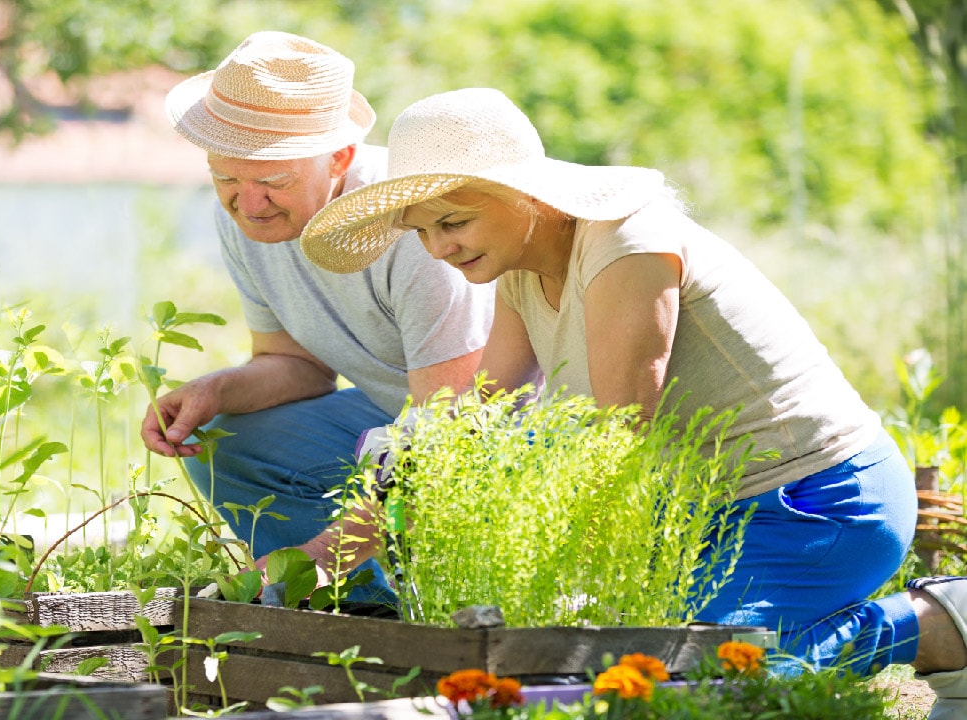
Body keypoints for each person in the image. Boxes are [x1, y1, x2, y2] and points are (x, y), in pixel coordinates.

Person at [298, 87, 967, 717]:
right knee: (639, 674)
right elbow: (477, 410)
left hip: (812, 501)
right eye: (421, 233)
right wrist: (331, 544)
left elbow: (616, 439)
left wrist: (548, 572)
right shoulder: (523, 267)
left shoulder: (626, 243)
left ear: (521, 194)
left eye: (454, 222)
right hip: (702, 519)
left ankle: (931, 627)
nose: (440, 249)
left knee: (702, 681)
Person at [141, 34, 495, 603]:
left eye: (274, 182)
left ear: (339, 159)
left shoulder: (414, 226)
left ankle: (403, 597)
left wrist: (323, 554)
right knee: (222, 434)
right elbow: (297, 366)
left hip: (498, 431)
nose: (248, 204)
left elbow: (449, 430)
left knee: (419, 491)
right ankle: (354, 606)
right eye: (226, 179)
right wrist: (216, 388)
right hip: (393, 413)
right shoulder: (242, 219)